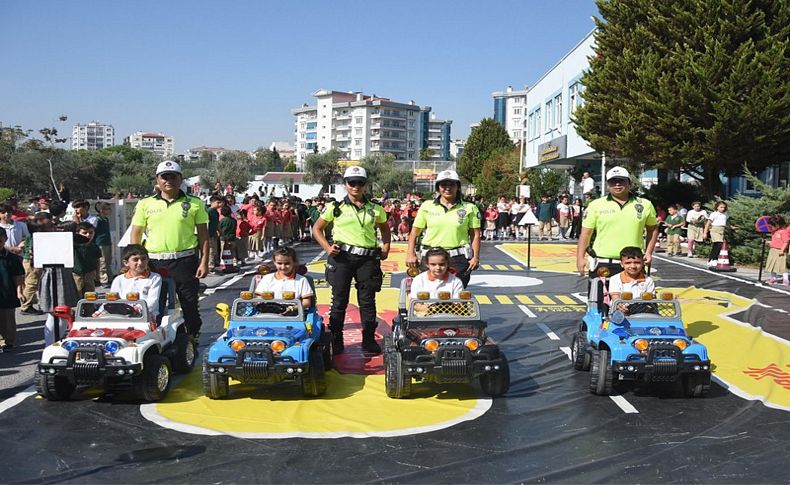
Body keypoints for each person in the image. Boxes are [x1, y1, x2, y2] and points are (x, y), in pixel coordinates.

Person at [312, 166, 390, 355]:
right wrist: (328, 248)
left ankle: (369, 339)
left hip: (368, 259)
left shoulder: (376, 209)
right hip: (342, 258)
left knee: (367, 301)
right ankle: (336, 339)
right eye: (351, 182)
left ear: (365, 184)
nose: (356, 186)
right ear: (345, 184)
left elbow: (385, 229)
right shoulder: (335, 207)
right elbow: (317, 229)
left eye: (360, 182)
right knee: (339, 300)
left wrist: (385, 247)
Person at [130, 160, 209, 338]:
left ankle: (191, 339)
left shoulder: (195, 203)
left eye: (173, 176)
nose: (168, 181)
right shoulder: (145, 204)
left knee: (189, 304)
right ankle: (154, 339)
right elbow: (136, 234)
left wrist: (204, 261)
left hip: (185, 261)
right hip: (154, 262)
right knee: (153, 304)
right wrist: (135, 262)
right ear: (157, 180)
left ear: (180, 179)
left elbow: (204, 236)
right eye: (164, 177)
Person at [576, 166, 658, 279]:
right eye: (613, 181)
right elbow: (585, 234)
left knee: (634, 297)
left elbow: (652, 229)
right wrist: (580, 258)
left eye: (621, 181)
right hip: (603, 262)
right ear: (608, 185)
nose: (617, 184)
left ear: (629, 183)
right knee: (601, 296)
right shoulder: (596, 205)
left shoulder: (645, 204)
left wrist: (648, 252)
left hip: (633, 263)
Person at [406, 169, 481, 288]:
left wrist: (475, 257)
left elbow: (475, 235)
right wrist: (410, 254)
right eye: (443, 184)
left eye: (452, 184)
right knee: (427, 296)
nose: (447, 188)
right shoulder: (427, 206)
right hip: (431, 257)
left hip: (457, 259)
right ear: (438, 187)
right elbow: (414, 233)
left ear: (458, 187)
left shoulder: (470, 208)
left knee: (454, 299)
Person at [109, 244, 162, 319]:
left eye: (143, 259)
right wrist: (99, 312)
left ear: (148, 260)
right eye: (135, 259)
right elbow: (111, 299)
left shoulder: (154, 278)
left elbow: (152, 302)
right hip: (121, 316)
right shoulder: (119, 279)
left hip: (146, 317)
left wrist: (137, 309)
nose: (140, 263)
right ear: (126, 263)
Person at [608, 246, 656, 314]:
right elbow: (615, 297)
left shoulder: (648, 280)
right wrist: (620, 306)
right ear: (622, 264)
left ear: (643, 263)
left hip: (642, 311)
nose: (633, 266)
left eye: (637, 262)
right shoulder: (615, 279)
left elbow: (650, 299)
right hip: (620, 310)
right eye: (628, 263)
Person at [0, 228, 25, 352]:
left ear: (5, 239)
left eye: (1, 239)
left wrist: (19, 291)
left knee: (7, 319)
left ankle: (8, 342)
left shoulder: (12, 258)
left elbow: (18, 276)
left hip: (7, 292)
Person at [72, 222, 102, 295]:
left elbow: (97, 261)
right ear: (78, 233)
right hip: (76, 273)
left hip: (90, 273)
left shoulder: (94, 246)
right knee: (77, 293)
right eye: (84, 233)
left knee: (90, 294)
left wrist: (97, 274)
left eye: (91, 232)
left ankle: (89, 306)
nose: (88, 235)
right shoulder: (74, 246)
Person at [704, 201, 734, 267]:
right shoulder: (714, 214)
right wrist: (705, 233)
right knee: (719, 244)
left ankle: (710, 260)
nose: (722, 209)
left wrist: (732, 227)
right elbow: (708, 224)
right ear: (717, 207)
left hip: (722, 229)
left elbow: (727, 222)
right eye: (721, 207)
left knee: (716, 245)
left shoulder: (725, 214)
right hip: (715, 229)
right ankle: (714, 259)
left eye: (724, 207)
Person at [764, 215, 789, 285]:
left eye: (772, 226)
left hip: (780, 251)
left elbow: (786, 241)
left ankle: (786, 279)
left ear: (777, 225)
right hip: (773, 250)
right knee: (772, 264)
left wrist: (782, 250)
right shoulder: (774, 232)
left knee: (783, 266)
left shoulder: (783, 232)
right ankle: (773, 277)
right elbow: (775, 241)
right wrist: (769, 242)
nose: (771, 228)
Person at [93, 202, 114, 286]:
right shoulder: (97, 220)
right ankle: (103, 279)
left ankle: (110, 277)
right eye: (108, 209)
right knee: (103, 262)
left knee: (108, 261)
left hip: (107, 242)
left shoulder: (106, 219)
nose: (110, 211)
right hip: (100, 243)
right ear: (101, 210)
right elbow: (94, 231)